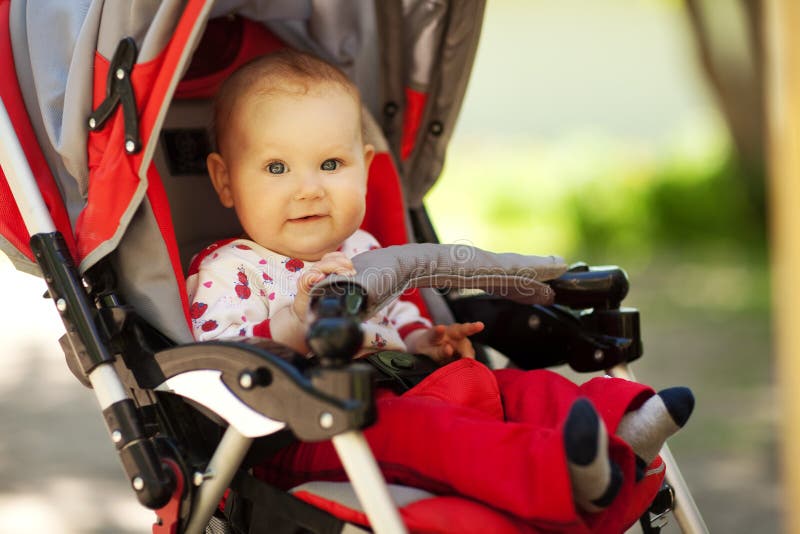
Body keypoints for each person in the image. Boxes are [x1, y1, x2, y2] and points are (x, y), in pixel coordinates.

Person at [186, 49, 694, 532]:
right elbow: (224, 364)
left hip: (407, 386)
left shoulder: (365, 247)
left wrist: (425, 342)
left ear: (364, 167)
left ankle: (619, 422)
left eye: (331, 165)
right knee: (430, 431)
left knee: (507, 387)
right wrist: (297, 322)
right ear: (225, 180)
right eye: (277, 168)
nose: (309, 188)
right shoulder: (230, 269)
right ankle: (559, 476)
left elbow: (398, 320)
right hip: (314, 426)